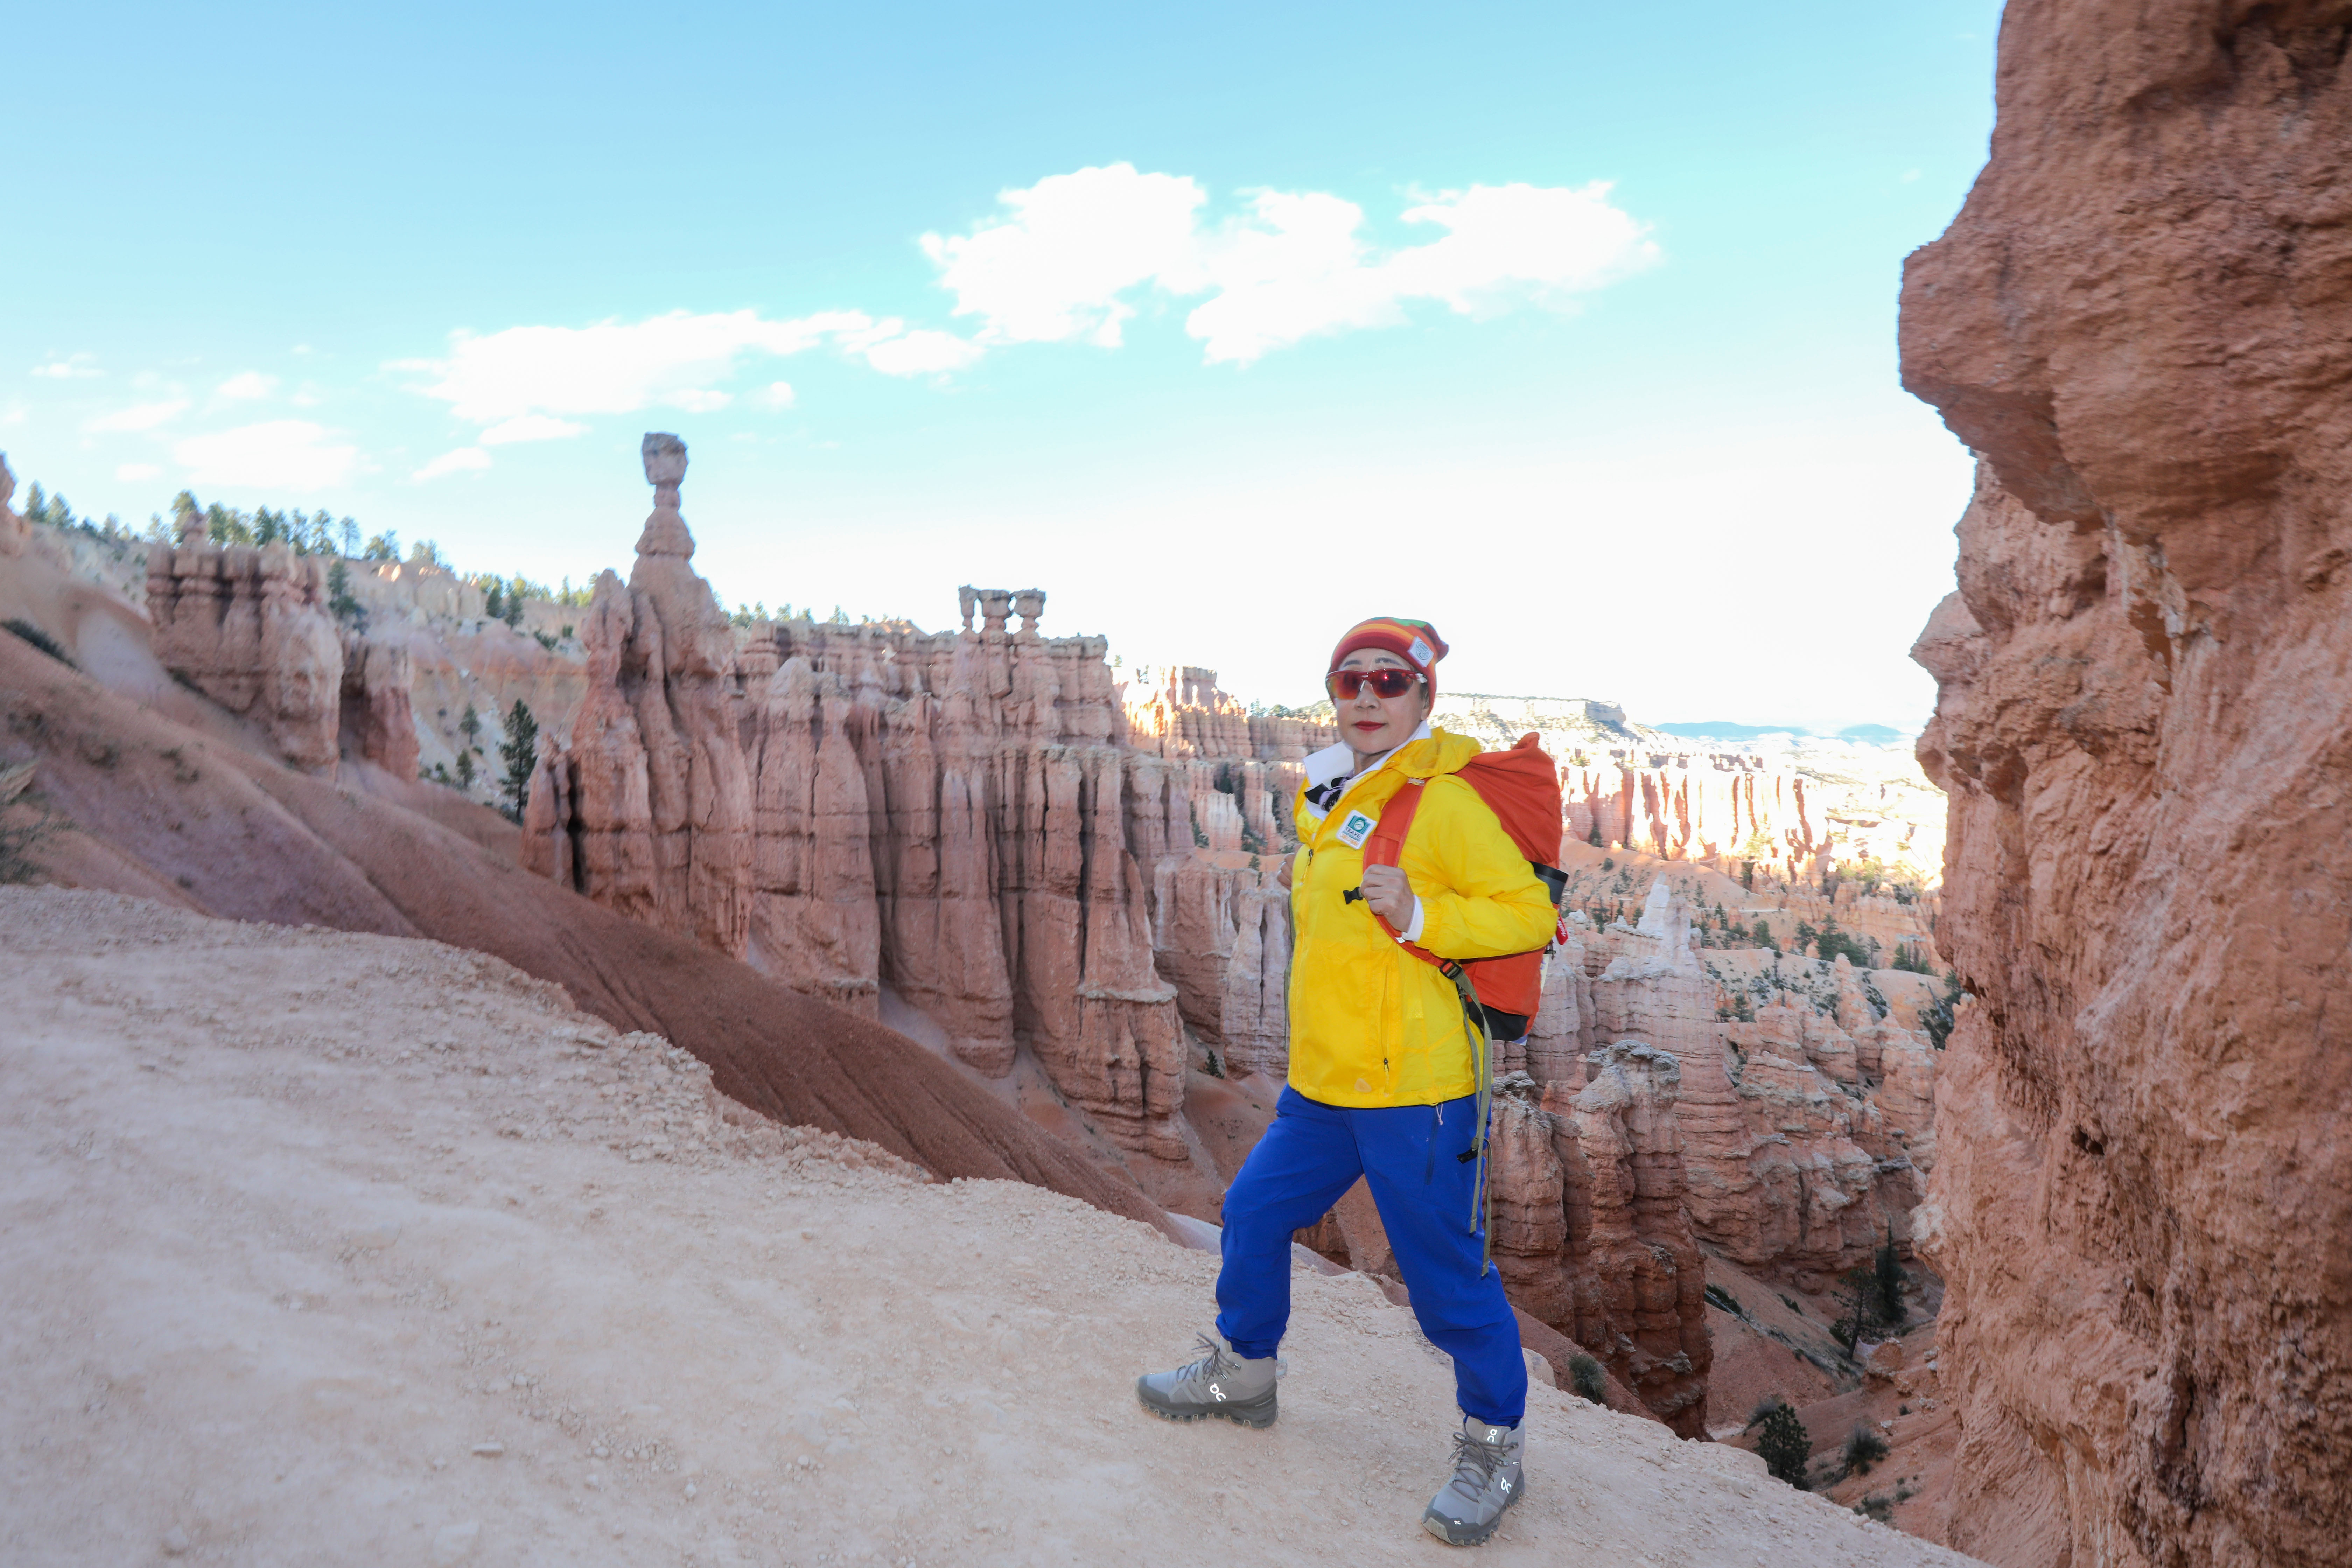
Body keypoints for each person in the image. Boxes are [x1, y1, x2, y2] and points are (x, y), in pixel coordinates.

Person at [1135, 616, 1556, 1547]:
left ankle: (1494, 1447)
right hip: (1325, 1088)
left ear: (1423, 696)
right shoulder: (1330, 792)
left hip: (1419, 1093)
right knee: (1254, 1214)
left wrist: (1427, 913)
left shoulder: (1446, 802)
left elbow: (1530, 912)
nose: (1367, 696)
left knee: (1446, 1283)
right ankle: (1246, 1373)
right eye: (1349, 680)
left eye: (1389, 681)